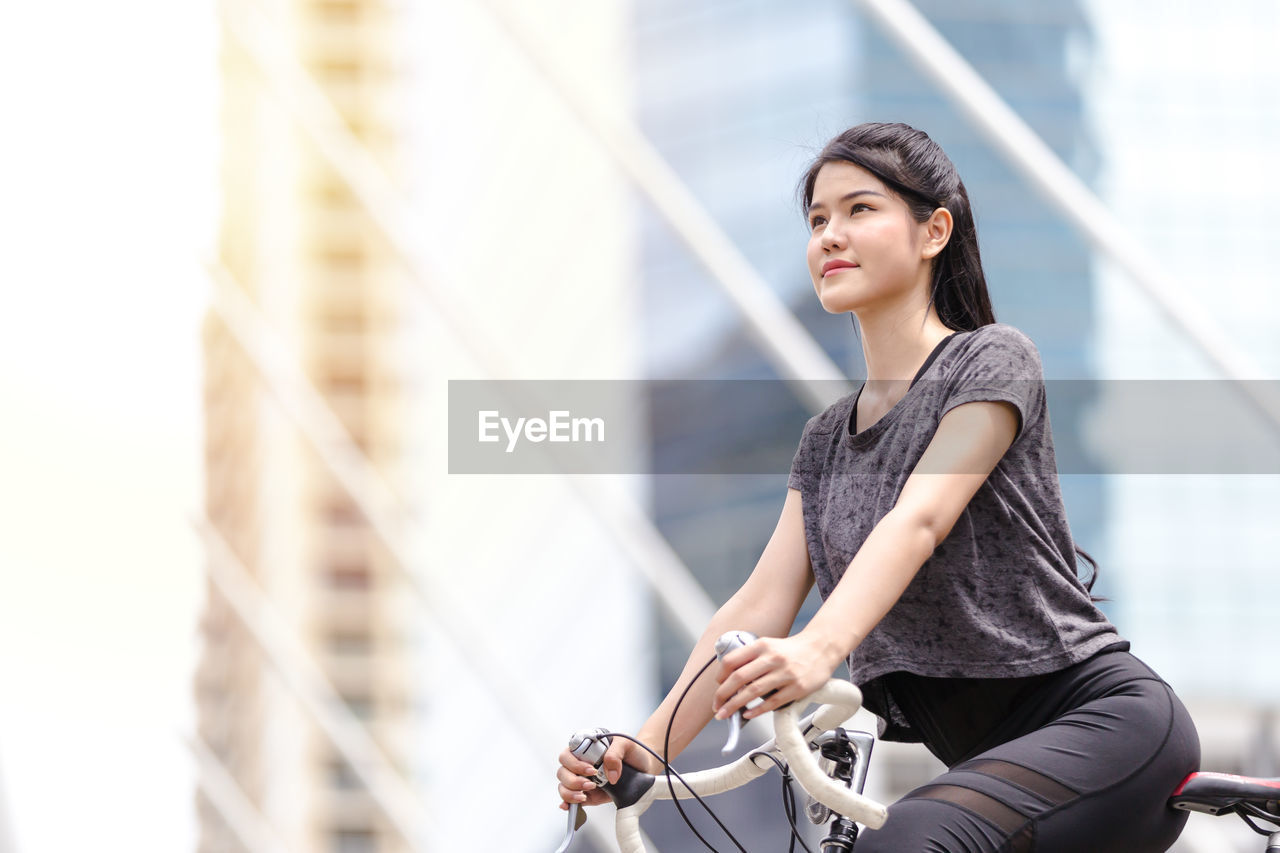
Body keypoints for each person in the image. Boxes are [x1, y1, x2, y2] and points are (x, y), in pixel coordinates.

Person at [556, 122, 1200, 851]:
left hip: (1106, 724)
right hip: (997, 767)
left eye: (860, 209)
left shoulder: (990, 360)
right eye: (818, 219)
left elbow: (919, 518)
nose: (830, 234)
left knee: (903, 840)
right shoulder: (826, 440)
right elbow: (758, 603)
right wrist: (644, 749)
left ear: (934, 232)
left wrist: (817, 648)